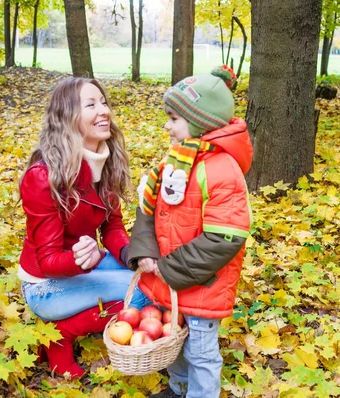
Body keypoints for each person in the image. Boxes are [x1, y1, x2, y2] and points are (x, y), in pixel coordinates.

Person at [128, 66, 253, 398]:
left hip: (201, 286)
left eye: (174, 118)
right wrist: (145, 251)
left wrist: (167, 268)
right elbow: (148, 210)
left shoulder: (221, 170)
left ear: (200, 121)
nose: (166, 125)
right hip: (170, 282)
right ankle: (177, 388)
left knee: (199, 352)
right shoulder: (176, 160)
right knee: (174, 343)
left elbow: (224, 238)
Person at [18, 77, 149, 379]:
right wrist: (78, 260)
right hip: (45, 285)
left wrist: (134, 256)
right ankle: (60, 333)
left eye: (103, 102)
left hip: (87, 264)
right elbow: (47, 260)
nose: (103, 110)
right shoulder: (43, 176)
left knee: (149, 280)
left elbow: (112, 226)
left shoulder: (106, 163)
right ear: (67, 118)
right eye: (90, 105)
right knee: (141, 294)